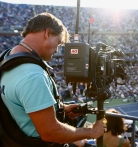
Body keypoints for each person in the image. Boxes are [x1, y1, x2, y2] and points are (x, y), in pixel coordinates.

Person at [0, 12, 105, 146]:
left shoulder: (7, 57)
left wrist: (60, 108)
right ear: (47, 33)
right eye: (58, 43)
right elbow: (50, 132)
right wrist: (90, 131)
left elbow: (21, 103)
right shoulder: (32, 74)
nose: (57, 50)